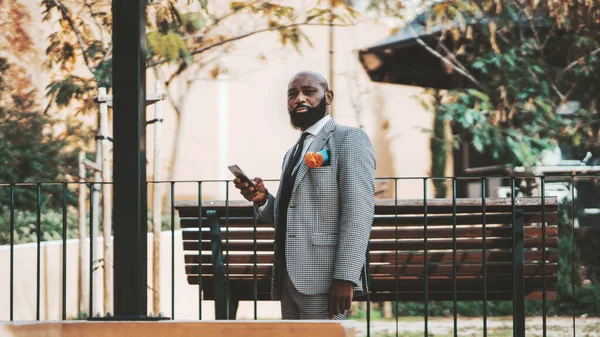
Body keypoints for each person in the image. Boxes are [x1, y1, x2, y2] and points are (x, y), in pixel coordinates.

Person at [234, 71, 376, 320]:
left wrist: (345, 277)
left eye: (308, 91)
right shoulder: (293, 153)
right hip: (289, 276)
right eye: (292, 94)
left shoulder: (348, 139)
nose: (299, 98)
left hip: (325, 278)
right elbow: (292, 216)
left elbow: (358, 212)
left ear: (327, 96)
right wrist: (263, 200)